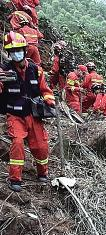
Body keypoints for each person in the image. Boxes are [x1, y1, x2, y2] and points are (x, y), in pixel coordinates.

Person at [0, 32, 55, 192]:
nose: (15, 53)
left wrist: (49, 100)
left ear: (24, 50)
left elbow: (46, 90)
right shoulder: (4, 71)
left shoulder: (36, 70)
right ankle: (15, 179)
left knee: (41, 146)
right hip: (15, 115)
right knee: (17, 143)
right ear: (9, 54)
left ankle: (42, 173)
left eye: (18, 49)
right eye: (12, 51)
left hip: (34, 114)